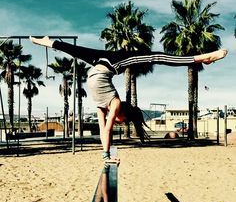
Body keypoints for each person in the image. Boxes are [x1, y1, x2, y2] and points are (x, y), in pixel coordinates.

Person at [30, 36, 228, 163]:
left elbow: (102, 130)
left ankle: (49, 41)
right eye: (121, 121)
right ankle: (201, 58)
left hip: (97, 67)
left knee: (75, 51)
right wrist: (106, 156)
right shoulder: (114, 103)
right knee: (155, 57)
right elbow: (107, 129)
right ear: (123, 113)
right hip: (113, 63)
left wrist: (105, 152)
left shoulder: (102, 107)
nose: (117, 122)